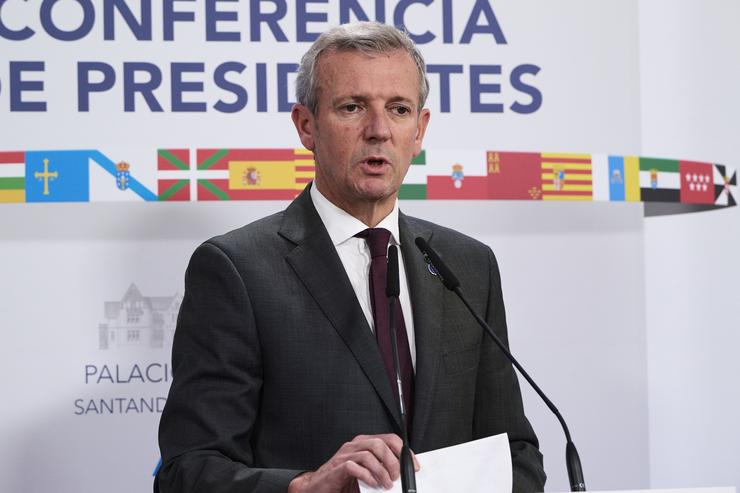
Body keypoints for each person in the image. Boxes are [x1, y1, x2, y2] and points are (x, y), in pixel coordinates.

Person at [156, 22, 546, 493]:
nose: (379, 131)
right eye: (352, 107)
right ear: (306, 125)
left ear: (419, 130)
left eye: (398, 109)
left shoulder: (466, 264)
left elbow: (514, 453)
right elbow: (189, 470)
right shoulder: (237, 268)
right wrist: (305, 485)